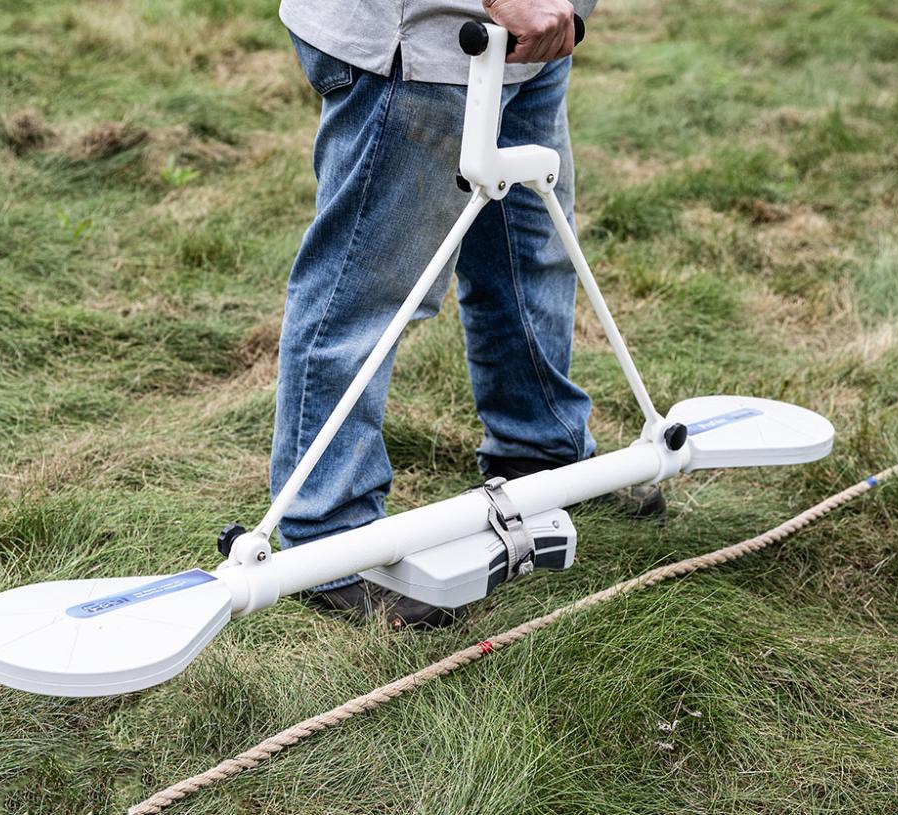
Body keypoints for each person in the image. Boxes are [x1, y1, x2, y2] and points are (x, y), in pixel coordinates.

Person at [271, 0, 662, 628]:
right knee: (366, 295)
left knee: (527, 255)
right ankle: (327, 536)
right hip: (423, 44)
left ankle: (538, 454)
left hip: (530, 45)